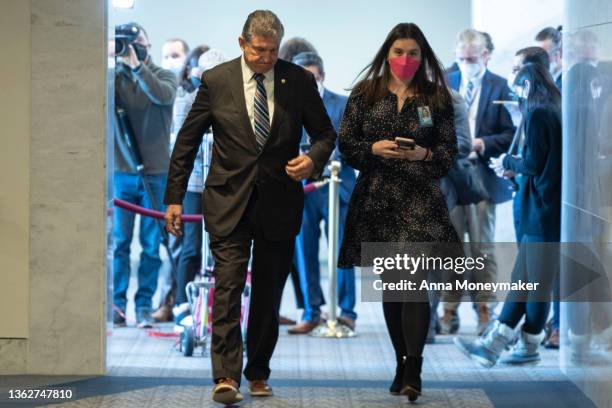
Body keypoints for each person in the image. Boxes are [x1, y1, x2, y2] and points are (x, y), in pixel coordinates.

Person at [164, 10, 336, 405]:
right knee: (227, 289)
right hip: (229, 201)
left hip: (280, 201)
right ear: (243, 44)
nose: (266, 58)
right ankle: (225, 376)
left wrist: (312, 160)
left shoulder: (299, 80)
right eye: (259, 50)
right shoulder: (217, 80)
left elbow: (325, 134)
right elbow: (186, 142)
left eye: (273, 51)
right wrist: (174, 197)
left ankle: (258, 372)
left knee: (268, 295)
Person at [338, 22, 458, 402]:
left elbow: (448, 155)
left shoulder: (436, 97)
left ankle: (414, 367)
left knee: (413, 286)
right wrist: (373, 149)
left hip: (419, 201)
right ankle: (401, 360)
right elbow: (347, 144)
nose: (405, 60)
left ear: (423, 58)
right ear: (386, 54)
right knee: (393, 287)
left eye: (413, 53)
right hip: (377, 199)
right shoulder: (364, 94)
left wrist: (423, 154)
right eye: (399, 52)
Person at [454, 63, 562, 367]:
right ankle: (510, 345)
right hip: (545, 208)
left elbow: (533, 162)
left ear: (527, 86)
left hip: (541, 210)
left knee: (531, 283)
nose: (516, 98)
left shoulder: (539, 114)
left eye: (518, 91)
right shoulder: (553, 107)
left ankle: (509, 345)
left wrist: (508, 161)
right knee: (529, 281)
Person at [442, 29, 515, 335]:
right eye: (460, 58)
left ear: (485, 55)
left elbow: (512, 134)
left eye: (471, 59)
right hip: (452, 175)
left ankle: (484, 308)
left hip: (482, 176)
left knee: (482, 248)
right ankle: (449, 309)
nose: (465, 64)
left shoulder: (500, 86)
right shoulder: (445, 81)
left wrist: (484, 143)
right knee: (452, 248)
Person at [111, 22, 177, 328]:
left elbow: (162, 96)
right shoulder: (113, 79)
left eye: (136, 41)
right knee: (120, 243)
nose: (131, 46)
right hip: (122, 174)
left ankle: (144, 305)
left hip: (156, 173)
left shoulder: (164, 75)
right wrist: (113, 60)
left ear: (148, 45)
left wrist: (138, 66)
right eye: (125, 42)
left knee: (151, 246)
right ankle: (118, 304)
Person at [288, 51, 357, 334]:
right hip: (302, 191)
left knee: (342, 252)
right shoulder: (284, 105)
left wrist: (320, 159)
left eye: (312, 78)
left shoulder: (342, 104)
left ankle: (347, 312)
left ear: (322, 77)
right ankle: (311, 311)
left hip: (335, 187)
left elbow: (352, 146)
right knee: (304, 252)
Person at [170, 48, 228, 329]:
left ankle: (222, 307)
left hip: (226, 185)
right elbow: (181, 150)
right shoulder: (186, 103)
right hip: (195, 185)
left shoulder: (237, 104)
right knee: (191, 246)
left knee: (225, 247)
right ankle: (181, 304)